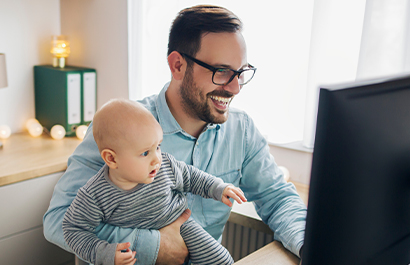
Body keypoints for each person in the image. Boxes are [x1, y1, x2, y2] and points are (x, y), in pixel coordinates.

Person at [44, 4, 307, 265]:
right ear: (178, 65)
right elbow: (58, 220)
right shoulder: (118, 129)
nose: (235, 88)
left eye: (241, 73)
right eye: (222, 71)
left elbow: (278, 198)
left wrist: (309, 246)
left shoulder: (242, 131)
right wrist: (154, 247)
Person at [63, 99, 246, 265]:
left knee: (221, 260)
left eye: (158, 146)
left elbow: (192, 177)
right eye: (145, 153)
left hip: (181, 225)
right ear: (111, 159)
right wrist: (105, 253)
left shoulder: (164, 165)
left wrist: (219, 188)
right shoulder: (95, 195)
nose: (157, 159)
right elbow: (73, 230)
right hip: (137, 253)